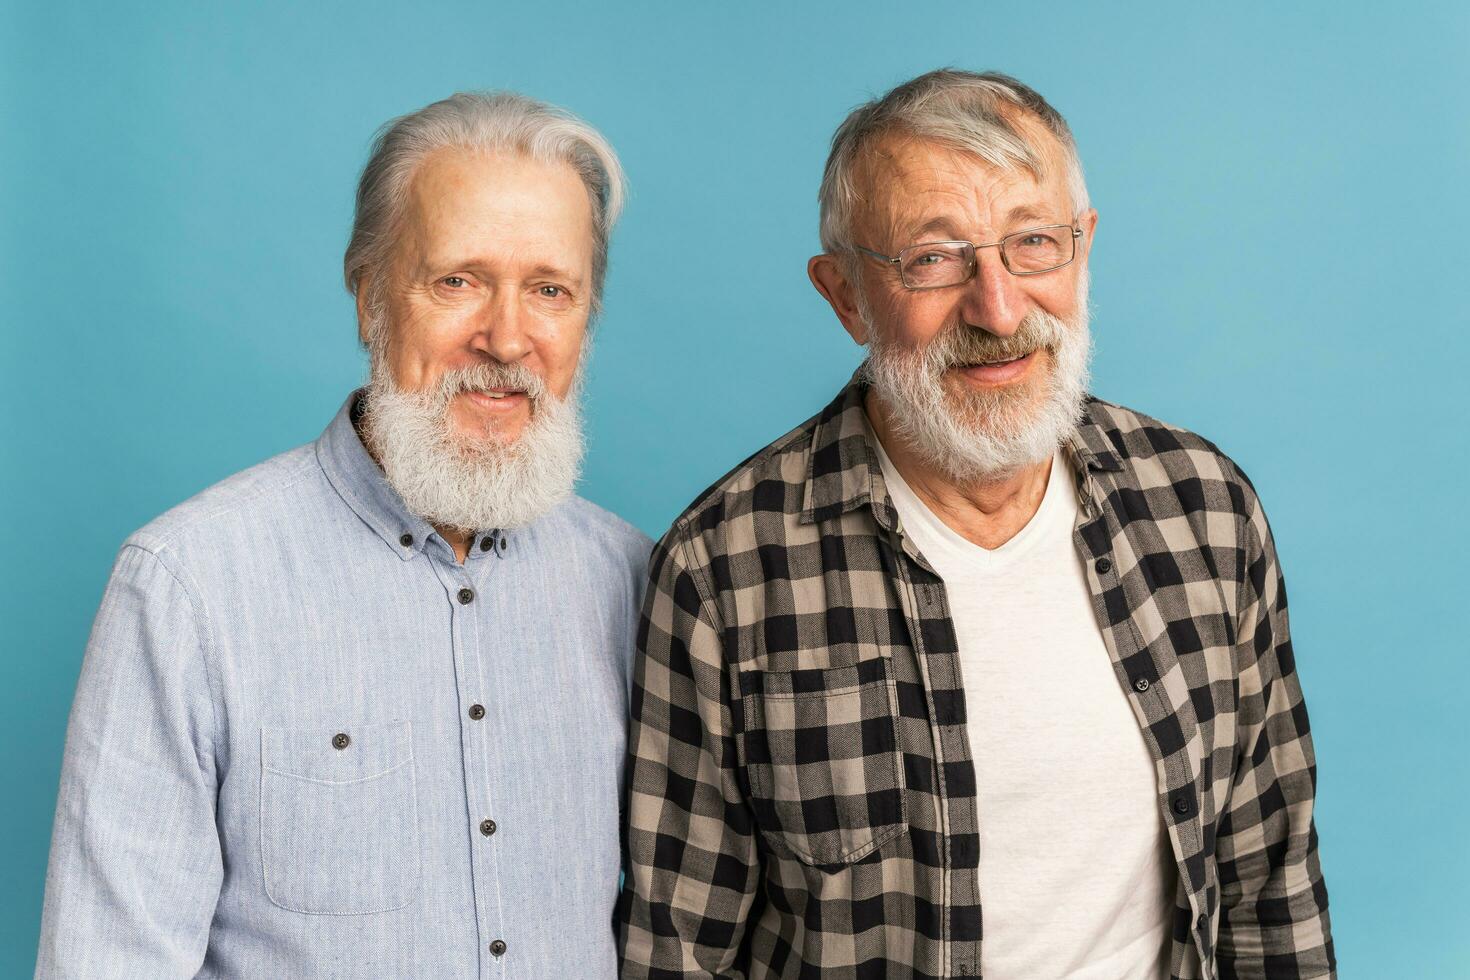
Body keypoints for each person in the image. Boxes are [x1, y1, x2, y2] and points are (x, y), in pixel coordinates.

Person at [618, 69, 1333, 979]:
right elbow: (679, 951)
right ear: (845, 297)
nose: (998, 308)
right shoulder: (723, 570)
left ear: (1085, 248)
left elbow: (1272, 887)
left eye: (1034, 243)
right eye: (934, 258)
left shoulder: (1206, 511)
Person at [36, 91, 650, 978]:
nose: (507, 337)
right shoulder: (189, 585)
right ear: (369, 297)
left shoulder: (634, 581)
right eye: (457, 281)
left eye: (550, 290)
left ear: (584, 323)